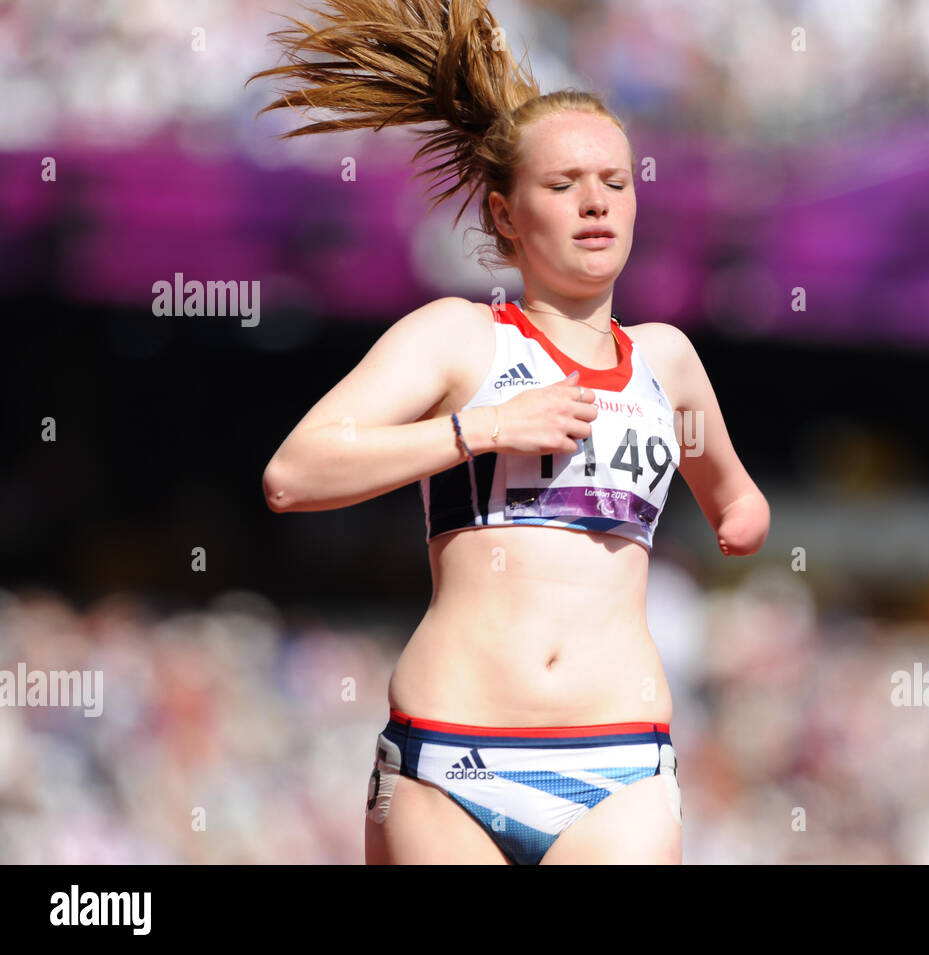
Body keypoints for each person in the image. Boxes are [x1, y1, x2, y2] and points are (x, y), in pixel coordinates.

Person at [252, 0, 769, 864]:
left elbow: (734, 494)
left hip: (619, 764)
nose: (595, 204)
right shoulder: (459, 337)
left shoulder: (668, 362)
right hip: (449, 760)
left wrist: (741, 523)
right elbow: (294, 474)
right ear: (503, 214)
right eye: (563, 186)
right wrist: (483, 427)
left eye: (615, 182)